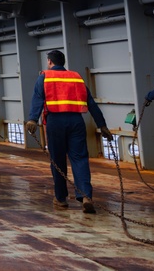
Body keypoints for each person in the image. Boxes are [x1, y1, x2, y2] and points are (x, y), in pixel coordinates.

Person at [25, 50, 112, 213]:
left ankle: (61, 198)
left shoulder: (45, 77)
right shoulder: (76, 77)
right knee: (80, 158)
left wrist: (32, 119)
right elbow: (91, 103)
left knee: (57, 160)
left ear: (50, 62)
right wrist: (102, 125)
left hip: (55, 121)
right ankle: (86, 195)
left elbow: (37, 99)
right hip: (76, 121)